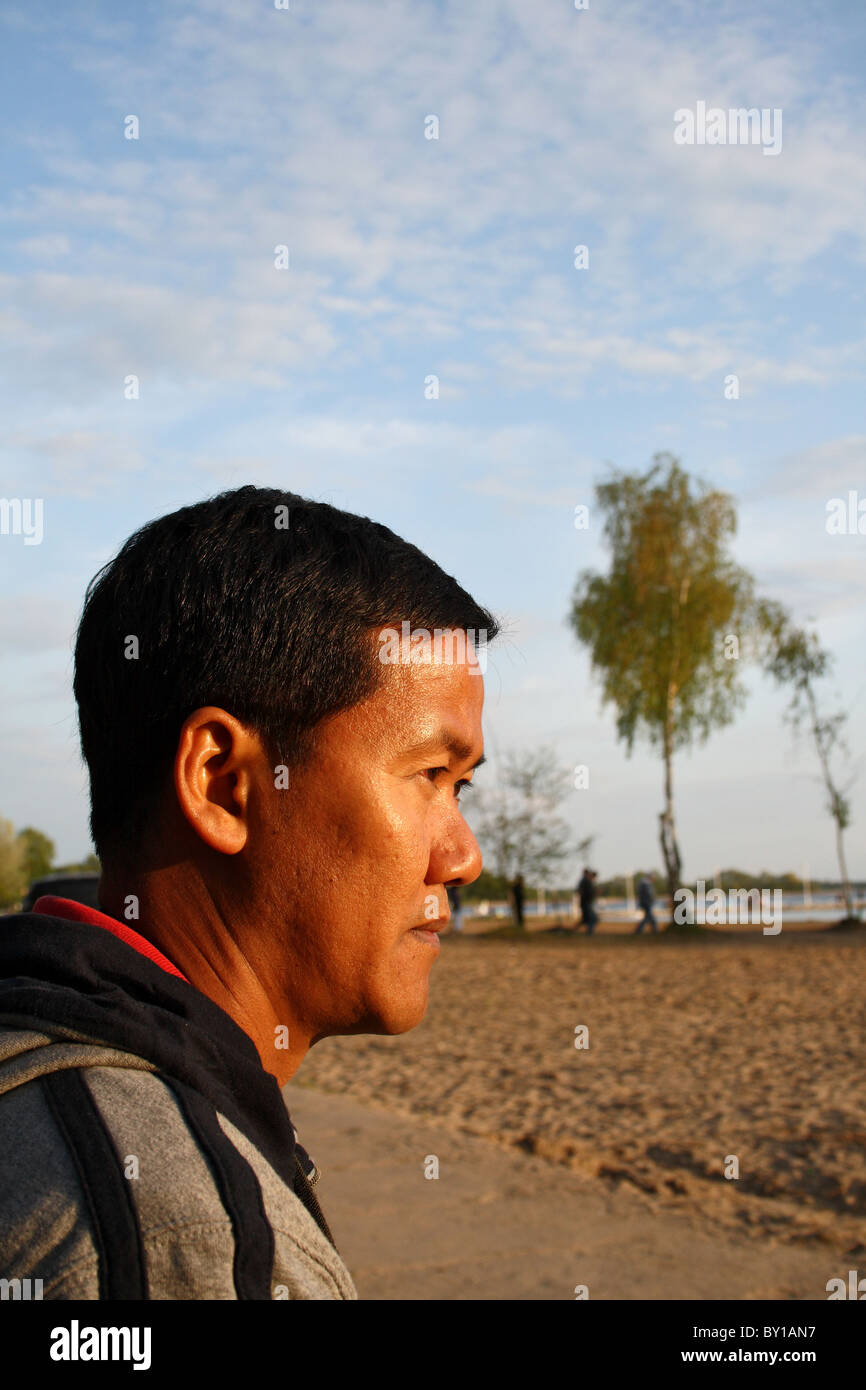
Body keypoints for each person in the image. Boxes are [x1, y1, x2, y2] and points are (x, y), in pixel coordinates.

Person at [0, 486, 498, 1300]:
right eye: (428, 776)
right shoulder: (179, 1242)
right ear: (224, 784)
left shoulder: (33, 1053)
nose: (464, 855)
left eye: (462, 788)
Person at [578, 867, 599, 934]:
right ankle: (590, 932)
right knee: (592, 918)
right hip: (586, 903)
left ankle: (589, 931)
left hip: (586, 903)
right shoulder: (585, 881)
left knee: (588, 918)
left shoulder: (585, 881)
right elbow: (583, 892)